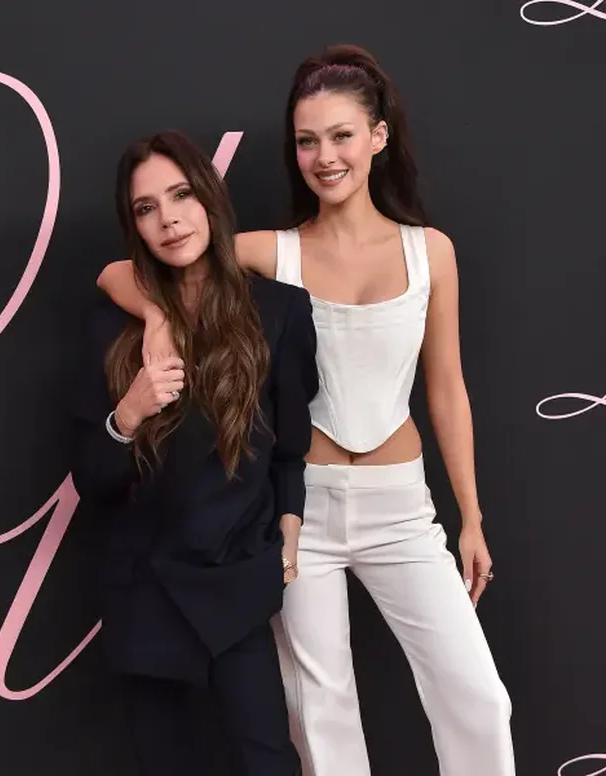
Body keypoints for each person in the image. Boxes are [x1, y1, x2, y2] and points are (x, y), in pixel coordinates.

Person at [94, 45, 515, 776]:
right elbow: (119, 271)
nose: (324, 157)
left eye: (342, 135)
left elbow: (447, 388)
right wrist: (160, 314)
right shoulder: (269, 252)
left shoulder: (431, 252)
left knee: (478, 699)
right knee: (322, 713)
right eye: (306, 141)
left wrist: (471, 516)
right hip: (302, 515)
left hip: (401, 507)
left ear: (378, 136)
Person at [70, 129, 318, 776]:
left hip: (235, 579)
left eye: (181, 195)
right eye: (146, 207)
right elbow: (91, 480)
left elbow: (291, 448)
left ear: (209, 197)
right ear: (133, 225)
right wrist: (128, 413)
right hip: (144, 588)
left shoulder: (281, 311)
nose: (169, 219)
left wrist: (288, 534)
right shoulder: (111, 323)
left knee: (267, 758)